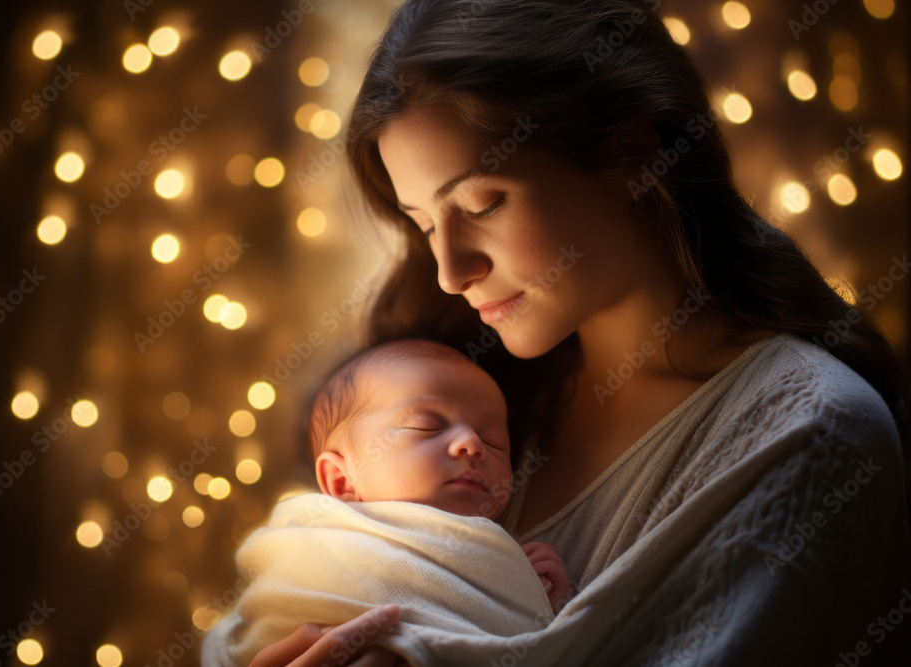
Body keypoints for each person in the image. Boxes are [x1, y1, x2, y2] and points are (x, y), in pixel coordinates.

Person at [223, 0, 911, 664]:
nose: (450, 271)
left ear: (632, 152)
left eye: (484, 201)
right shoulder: (453, 389)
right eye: (425, 223)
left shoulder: (811, 429)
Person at [203, 339, 573, 666]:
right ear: (341, 480)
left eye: (493, 441)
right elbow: (264, 613)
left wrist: (529, 595)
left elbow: (529, 645)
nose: (472, 444)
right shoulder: (319, 541)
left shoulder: (500, 555)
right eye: (427, 426)